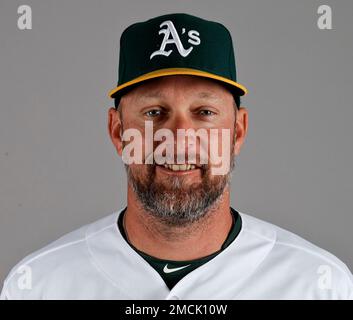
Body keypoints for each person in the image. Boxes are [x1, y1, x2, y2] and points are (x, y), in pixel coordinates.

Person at [1, 13, 352, 300]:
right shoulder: (39, 286)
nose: (180, 136)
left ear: (238, 132)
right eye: (154, 112)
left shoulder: (320, 286)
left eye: (204, 112)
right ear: (118, 131)